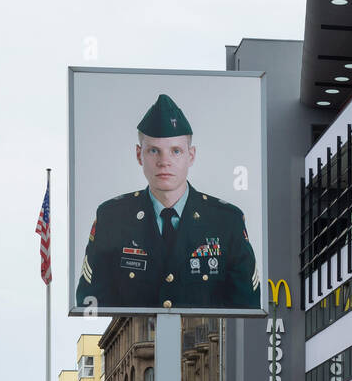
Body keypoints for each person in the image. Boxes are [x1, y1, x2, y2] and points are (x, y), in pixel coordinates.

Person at [75, 93, 259, 311]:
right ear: (138, 155)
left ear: (191, 156)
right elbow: (90, 303)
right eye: (154, 150)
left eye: (176, 151)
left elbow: (247, 307)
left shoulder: (226, 221)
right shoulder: (112, 218)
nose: (164, 162)